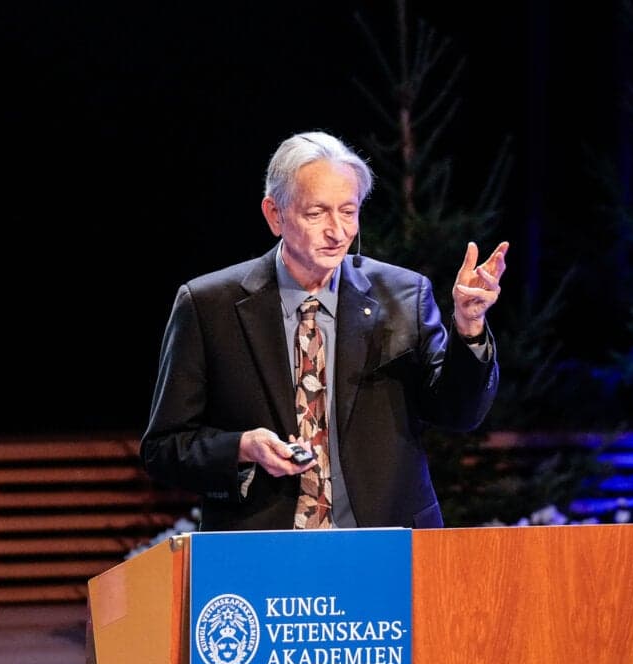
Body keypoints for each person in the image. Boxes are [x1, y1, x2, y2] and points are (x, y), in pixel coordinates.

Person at [140, 130, 508, 531]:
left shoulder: (404, 295)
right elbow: (165, 448)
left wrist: (469, 327)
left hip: (383, 545)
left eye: (348, 212)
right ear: (274, 215)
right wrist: (243, 448)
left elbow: (458, 413)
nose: (338, 232)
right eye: (316, 214)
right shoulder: (209, 306)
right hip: (264, 554)